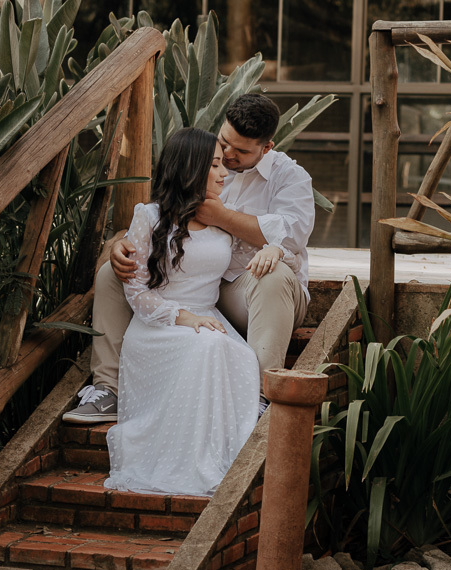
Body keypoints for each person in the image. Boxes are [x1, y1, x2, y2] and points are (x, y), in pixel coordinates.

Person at [64, 94, 315, 424]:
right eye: (225, 143)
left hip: (255, 293)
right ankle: (107, 389)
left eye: (240, 151)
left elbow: (292, 236)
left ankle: (260, 396)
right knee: (113, 273)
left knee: (275, 275)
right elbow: (162, 216)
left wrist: (222, 216)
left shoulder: (290, 177)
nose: (227, 156)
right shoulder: (205, 159)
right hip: (203, 287)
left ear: (266, 148)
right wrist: (121, 243)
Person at [104, 127, 277, 496]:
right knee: (209, 346)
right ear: (190, 168)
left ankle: (217, 457)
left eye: (221, 166)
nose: (223, 173)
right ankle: (183, 462)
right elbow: (135, 290)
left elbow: (266, 246)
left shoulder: (223, 219)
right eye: (214, 165)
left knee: (236, 355)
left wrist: (274, 250)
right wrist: (186, 318)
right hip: (158, 326)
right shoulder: (148, 216)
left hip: (208, 319)